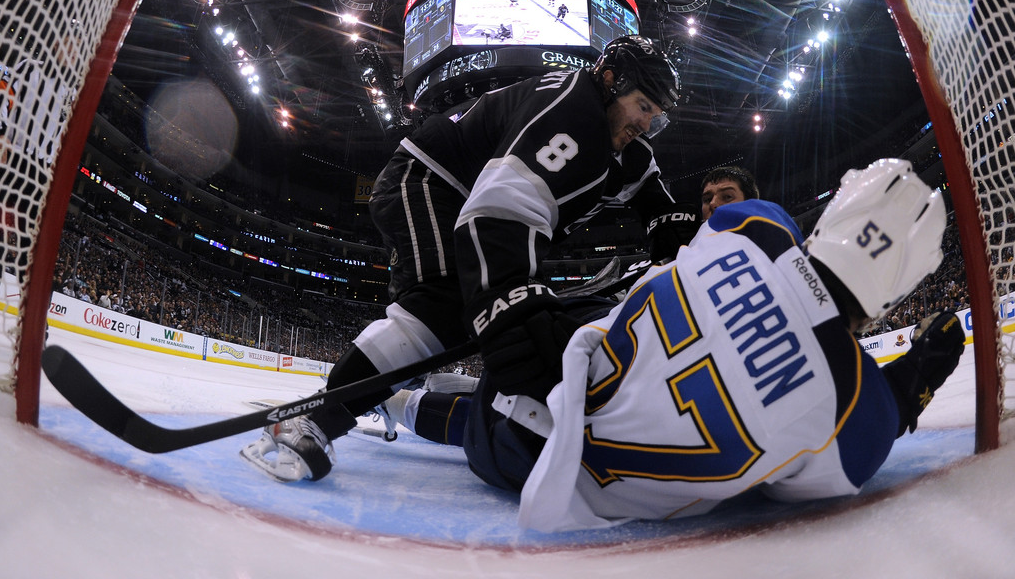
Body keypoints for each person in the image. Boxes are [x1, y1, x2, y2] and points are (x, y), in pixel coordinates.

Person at [374, 159, 966, 531]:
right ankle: (399, 406)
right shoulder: (859, 418)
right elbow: (796, 486)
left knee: (505, 406)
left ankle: (393, 399)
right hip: (551, 470)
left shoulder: (756, 225)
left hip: (551, 375)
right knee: (495, 428)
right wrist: (910, 388)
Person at [240, 35, 699, 483]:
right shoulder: (574, 113)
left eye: (656, 119)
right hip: (431, 183)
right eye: (643, 107)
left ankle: (372, 392)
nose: (645, 124)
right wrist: (511, 302)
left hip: (455, 195)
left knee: (451, 315)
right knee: (443, 305)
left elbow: (654, 199)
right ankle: (312, 418)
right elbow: (496, 216)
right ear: (611, 81)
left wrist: (679, 242)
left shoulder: (624, 145)